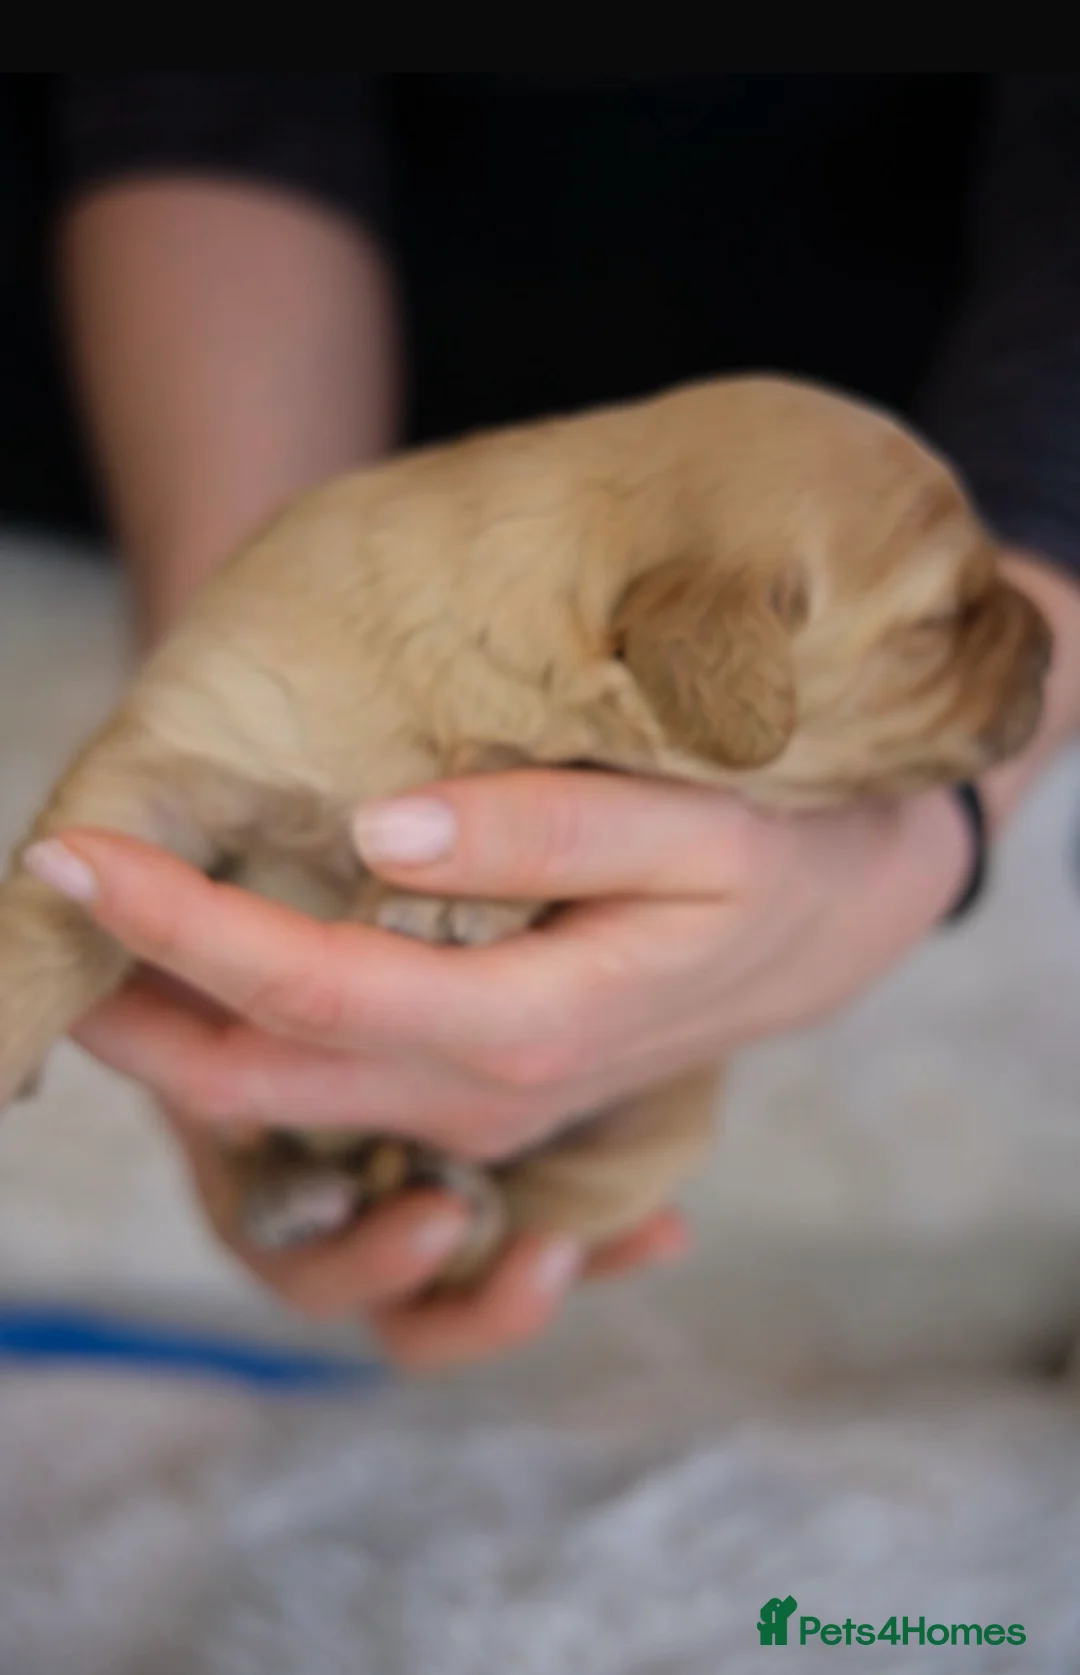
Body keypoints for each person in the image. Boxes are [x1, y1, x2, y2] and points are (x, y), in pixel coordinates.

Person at [9, 75, 1080, 1371]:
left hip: (899, 364)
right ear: (710, 664)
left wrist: (933, 829)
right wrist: (215, 645)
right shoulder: (675, 631)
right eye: (938, 632)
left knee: (638, 1135)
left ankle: (489, 1204)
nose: (995, 649)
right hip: (295, 377)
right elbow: (208, 92)